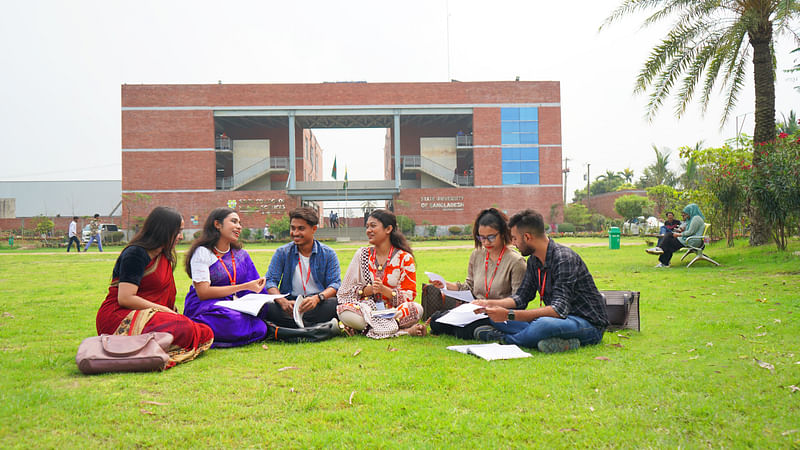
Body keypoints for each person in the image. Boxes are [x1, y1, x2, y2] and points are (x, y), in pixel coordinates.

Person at [472, 209, 608, 353]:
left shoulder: (564, 259)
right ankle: (555, 342)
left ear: (527, 237)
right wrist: (488, 304)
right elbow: (521, 298)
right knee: (497, 319)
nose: (513, 243)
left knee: (543, 324)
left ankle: (504, 340)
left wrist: (508, 314)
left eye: (515, 238)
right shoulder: (534, 261)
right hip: (559, 321)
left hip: (586, 323)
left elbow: (557, 310)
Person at [95, 206, 213, 369]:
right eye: (177, 231)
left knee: (204, 331)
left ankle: (148, 350)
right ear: (164, 230)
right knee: (186, 328)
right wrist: (166, 312)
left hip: (151, 314)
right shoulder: (136, 254)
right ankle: (141, 350)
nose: (180, 236)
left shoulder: (163, 254)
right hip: (120, 317)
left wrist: (168, 313)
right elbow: (125, 298)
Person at [424, 208, 527, 339]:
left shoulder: (516, 261)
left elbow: (519, 301)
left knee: (464, 331)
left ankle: (494, 331)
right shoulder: (477, 254)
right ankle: (485, 331)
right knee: (436, 320)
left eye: (491, 237)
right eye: (482, 237)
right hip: (473, 311)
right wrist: (445, 284)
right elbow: (468, 287)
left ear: (502, 233)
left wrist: (489, 305)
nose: (486, 242)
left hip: (498, 313)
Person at [183, 208, 270, 348]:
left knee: (264, 315)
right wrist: (244, 287)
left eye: (240, 223)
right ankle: (197, 329)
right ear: (217, 224)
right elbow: (203, 293)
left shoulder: (241, 255)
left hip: (234, 303)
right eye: (234, 221)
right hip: (205, 305)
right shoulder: (202, 253)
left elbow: (253, 286)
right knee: (233, 319)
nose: (239, 226)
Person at [337, 209, 425, 338]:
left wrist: (385, 291)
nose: (368, 230)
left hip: (394, 312)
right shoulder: (362, 254)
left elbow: (409, 295)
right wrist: (368, 290)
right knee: (344, 311)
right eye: (367, 227)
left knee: (415, 309)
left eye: (373, 226)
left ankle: (368, 329)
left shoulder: (404, 258)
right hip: (367, 310)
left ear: (388, 229)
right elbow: (344, 293)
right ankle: (401, 331)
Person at [263, 207, 341, 342]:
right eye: (293, 228)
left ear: (314, 229)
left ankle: (287, 330)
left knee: (338, 304)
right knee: (266, 306)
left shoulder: (328, 253)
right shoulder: (282, 252)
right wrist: (282, 302)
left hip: (317, 303)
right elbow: (270, 281)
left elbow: (335, 284)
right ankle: (317, 328)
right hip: (290, 303)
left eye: (301, 228)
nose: (295, 233)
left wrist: (317, 299)